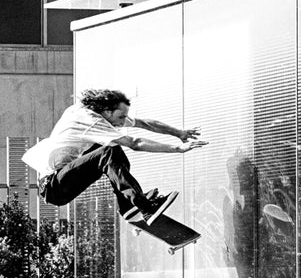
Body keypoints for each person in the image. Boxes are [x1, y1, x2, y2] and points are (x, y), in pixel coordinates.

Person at [21, 86, 206, 227]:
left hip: (64, 177)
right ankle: (144, 207)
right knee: (109, 151)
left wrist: (178, 132)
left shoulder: (100, 114)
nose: (122, 121)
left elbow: (145, 123)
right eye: (120, 116)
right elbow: (135, 143)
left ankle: (128, 206)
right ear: (108, 112)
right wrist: (177, 149)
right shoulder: (91, 121)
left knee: (112, 148)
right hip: (54, 186)